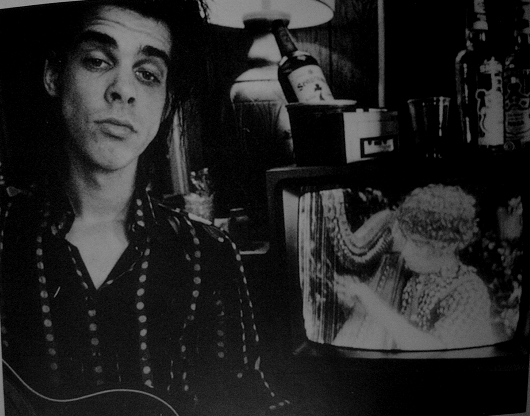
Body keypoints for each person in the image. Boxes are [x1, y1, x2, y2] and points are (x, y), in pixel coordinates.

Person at [0, 1, 291, 415]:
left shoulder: (209, 255)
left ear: (165, 102)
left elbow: (247, 397)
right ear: (54, 75)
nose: (124, 90)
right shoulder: (5, 236)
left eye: (147, 73)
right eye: (98, 61)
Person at [333, 184, 498, 350]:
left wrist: (370, 301)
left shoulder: (470, 291)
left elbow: (436, 351)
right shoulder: (415, 274)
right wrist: (358, 303)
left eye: (417, 243)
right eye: (406, 238)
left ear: (445, 246)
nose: (404, 251)